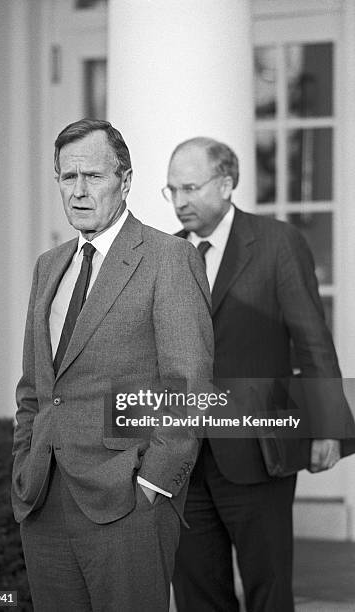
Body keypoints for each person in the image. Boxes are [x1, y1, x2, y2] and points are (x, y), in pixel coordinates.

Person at [11, 120, 213, 612]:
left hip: (127, 502)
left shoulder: (169, 259)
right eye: (67, 177)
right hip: (43, 499)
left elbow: (187, 389)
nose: (78, 192)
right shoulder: (49, 265)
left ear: (124, 182)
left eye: (93, 177)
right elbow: (34, 389)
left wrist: (152, 486)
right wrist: (23, 464)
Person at [165, 137, 355, 612]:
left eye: (190, 187)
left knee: (268, 588)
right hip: (182, 457)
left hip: (258, 450)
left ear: (227, 183)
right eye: (171, 190)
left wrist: (327, 427)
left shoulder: (276, 243)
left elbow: (312, 339)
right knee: (195, 591)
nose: (180, 201)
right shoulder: (165, 254)